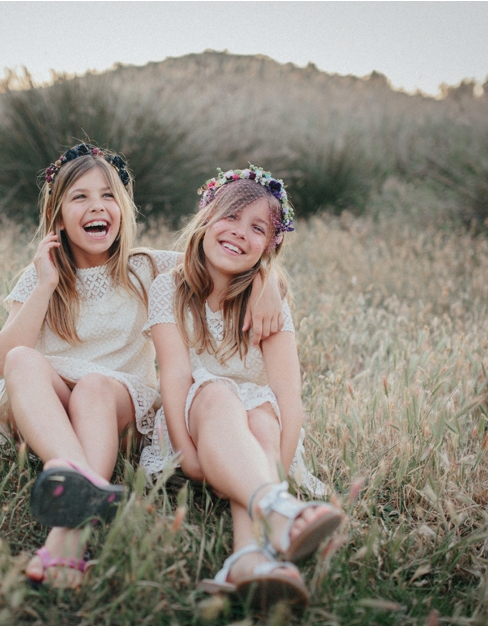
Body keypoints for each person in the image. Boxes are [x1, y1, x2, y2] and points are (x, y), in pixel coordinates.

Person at [0, 146, 285, 588]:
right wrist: (46, 284)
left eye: (107, 195)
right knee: (20, 359)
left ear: (122, 209)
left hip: (114, 405)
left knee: (93, 387)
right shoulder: (40, 275)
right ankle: (79, 474)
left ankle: (66, 535)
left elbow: (221, 256)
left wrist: (267, 280)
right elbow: (0, 360)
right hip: (45, 408)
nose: (96, 206)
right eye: (79, 197)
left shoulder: (145, 267)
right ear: (58, 215)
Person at [141, 166, 343, 606]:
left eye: (258, 229)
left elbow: (288, 393)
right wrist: (186, 453)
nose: (239, 234)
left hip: (257, 428)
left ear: (271, 246)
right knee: (216, 390)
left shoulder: (269, 302)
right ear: (206, 221)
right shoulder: (169, 289)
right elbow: (174, 375)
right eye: (230, 218)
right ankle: (277, 512)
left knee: (263, 417)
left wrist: (282, 466)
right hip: (192, 419)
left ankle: (250, 556)